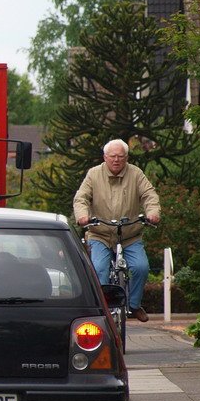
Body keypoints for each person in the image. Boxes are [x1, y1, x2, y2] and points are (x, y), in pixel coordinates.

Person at [73, 138, 161, 322]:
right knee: (99, 269)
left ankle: (134, 305)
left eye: (121, 156)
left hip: (130, 234)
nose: (116, 160)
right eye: (112, 156)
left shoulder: (136, 173)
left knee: (141, 267)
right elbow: (81, 198)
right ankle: (104, 309)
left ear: (126, 157)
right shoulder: (94, 174)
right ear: (105, 157)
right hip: (100, 234)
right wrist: (83, 216)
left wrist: (152, 212)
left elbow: (149, 195)